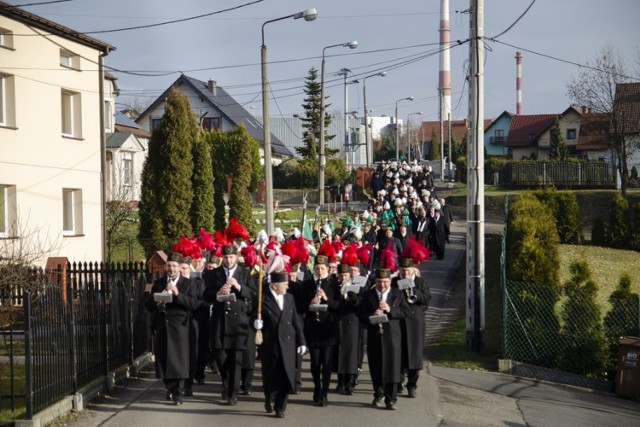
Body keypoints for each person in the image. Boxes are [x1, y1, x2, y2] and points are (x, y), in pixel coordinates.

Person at [202, 244, 257, 406]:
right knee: (221, 357)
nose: (228, 260)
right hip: (220, 321)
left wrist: (238, 286)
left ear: (236, 257)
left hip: (238, 323)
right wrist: (218, 292)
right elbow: (206, 294)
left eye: (231, 257)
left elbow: (253, 294)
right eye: (226, 257)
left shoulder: (245, 273)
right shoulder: (214, 273)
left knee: (236, 360)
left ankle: (232, 392)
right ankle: (227, 385)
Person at [145, 252, 200, 406]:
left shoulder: (188, 284)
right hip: (163, 326)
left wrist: (177, 294)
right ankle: (169, 386)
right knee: (163, 360)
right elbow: (148, 305)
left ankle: (178, 394)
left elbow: (194, 304)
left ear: (180, 268)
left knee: (178, 363)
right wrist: (158, 298)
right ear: (165, 267)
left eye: (175, 266)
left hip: (180, 327)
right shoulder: (159, 283)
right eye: (169, 265)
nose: (172, 269)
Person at [254, 271, 307, 419]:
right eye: (284, 284)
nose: (287, 287)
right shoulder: (262, 300)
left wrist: (302, 341)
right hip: (271, 345)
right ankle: (269, 396)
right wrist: (255, 323)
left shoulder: (289, 298)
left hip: (288, 343)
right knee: (270, 377)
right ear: (274, 285)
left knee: (286, 377)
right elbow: (253, 317)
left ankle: (280, 408)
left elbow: (296, 321)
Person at [357, 268, 408, 410]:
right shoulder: (368, 295)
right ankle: (378, 394)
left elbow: (405, 312)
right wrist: (372, 314)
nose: (382, 285)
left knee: (392, 367)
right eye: (379, 282)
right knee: (376, 367)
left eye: (385, 282)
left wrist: (390, 309)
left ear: (390, 282)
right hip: (375, 336)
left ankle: (391, 399)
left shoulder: (397, 294)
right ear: (375, 282)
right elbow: (360, 314)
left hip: (392, 337)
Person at [301, 254, 340, 407]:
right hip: (313, 327)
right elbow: (300, 306)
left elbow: (339, 306)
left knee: (327, 362)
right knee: (315, 362)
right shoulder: (308, 284)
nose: (320, 270)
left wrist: (326, 299)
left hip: (329, 328)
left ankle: (324, 393)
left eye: (322, 268)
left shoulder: (333, 284)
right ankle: (317, 387)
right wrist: (310, 302)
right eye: (317, 268)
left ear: (326, 269)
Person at [392, 257, 431, 398]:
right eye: (402, 271)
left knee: (414, 354)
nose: (405, 274)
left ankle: (412, 385)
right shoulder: (394, 282)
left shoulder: (421, 282)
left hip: (415, 323)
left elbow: (426, 300)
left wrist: (412, 287)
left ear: (413, 270)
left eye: (407, 271)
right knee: (399, 352)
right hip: (399, 321)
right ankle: (398, 381)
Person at [335, 263, 363, 395]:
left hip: (352, 322)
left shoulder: (356, 287)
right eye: (341, 275)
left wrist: (351, 294)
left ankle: (350, 382)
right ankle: (340, 382)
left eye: (345, 275)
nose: (343, 278)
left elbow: (359, 305)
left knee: (351, 353)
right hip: (339, 322)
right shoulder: (335, 286)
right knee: (340, 352)